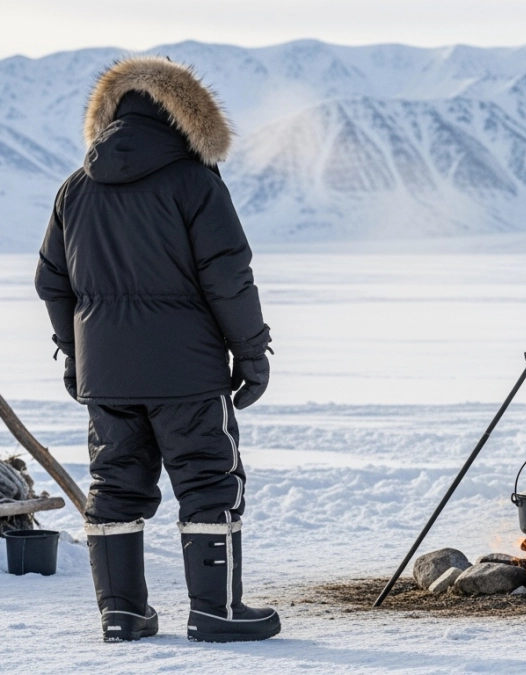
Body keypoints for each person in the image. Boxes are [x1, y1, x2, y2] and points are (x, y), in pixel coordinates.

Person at [34, 56, 279, 642]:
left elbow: (52, 282)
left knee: (114, 486)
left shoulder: (75, 188)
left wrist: (75, 353)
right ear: (187, 114)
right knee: (208, 482)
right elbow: (228, 275)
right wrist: (250, 354)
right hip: (188, 373)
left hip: (107, 375)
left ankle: (121, 614)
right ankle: (216, 612)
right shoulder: (194, 181)